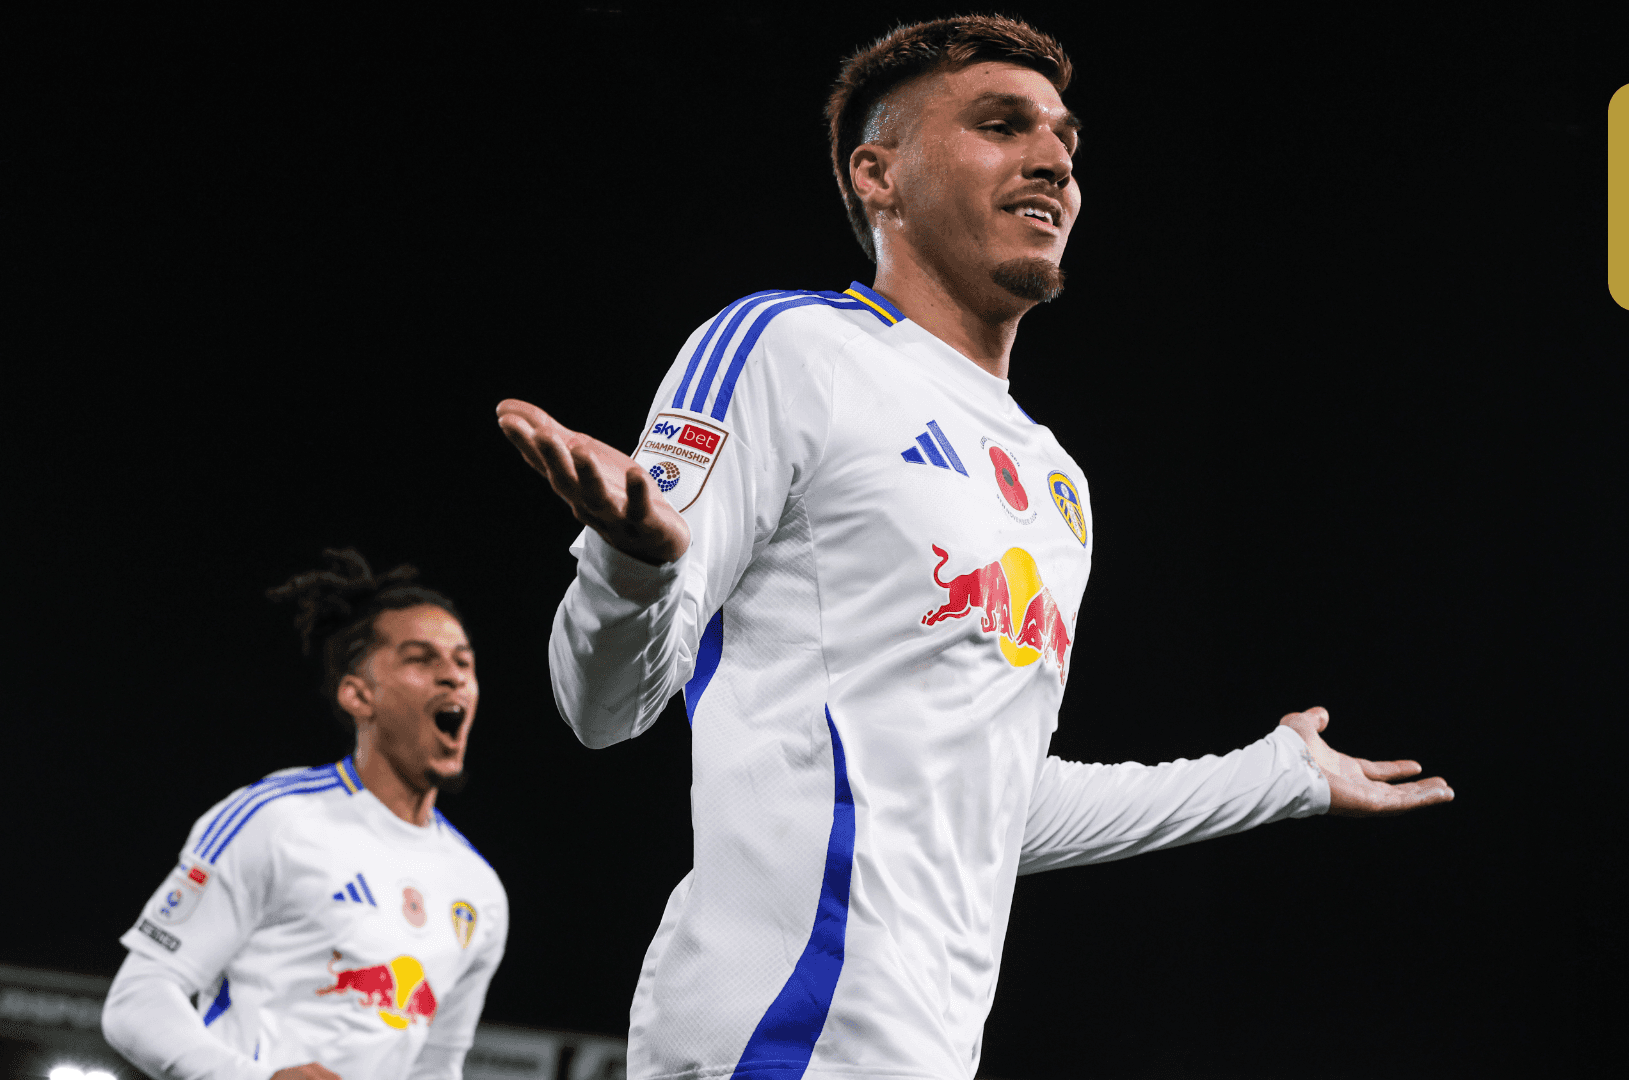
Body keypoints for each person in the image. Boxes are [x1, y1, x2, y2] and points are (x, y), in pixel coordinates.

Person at [497, 15, 1452, 1078]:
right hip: (777, 1036)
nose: (1054, 161)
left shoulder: (1056, 481)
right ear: (878, 176)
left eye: (1065, 140)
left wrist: (1277, 776)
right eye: (1002, 126)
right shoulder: (791, 349)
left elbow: (996, 803)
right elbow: (602, 709)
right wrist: (633, 565)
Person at [101, 549, 508, 1080]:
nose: (452, 676)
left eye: (463, 662)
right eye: (420, 659)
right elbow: (137, 999)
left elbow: (436, 1068)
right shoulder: (276, 821)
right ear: (358, 695)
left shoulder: (479, 891)